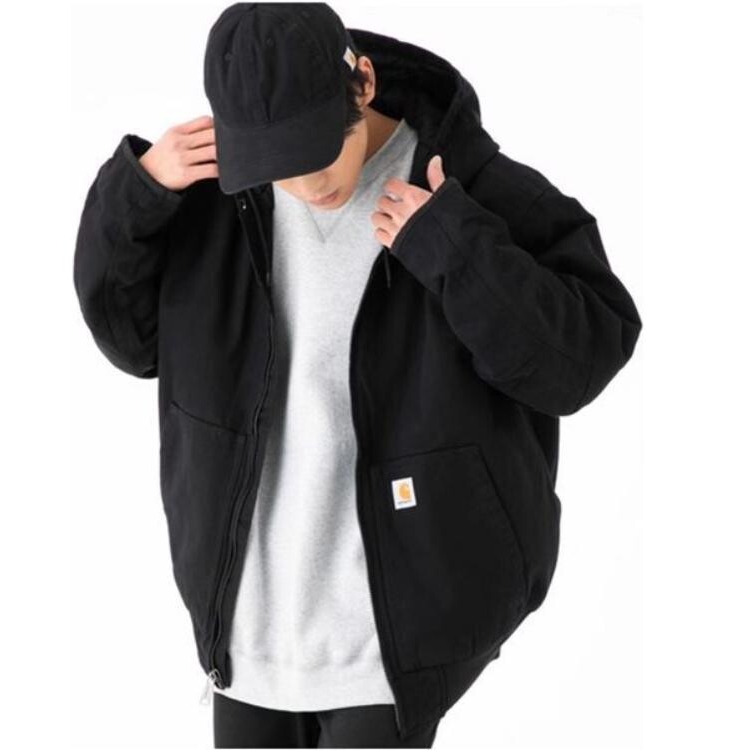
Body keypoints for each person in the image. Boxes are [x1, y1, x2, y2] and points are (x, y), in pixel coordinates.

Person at [72, 3, 642, 748]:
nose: (306, 186)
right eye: (277, 166)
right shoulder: (214, 200)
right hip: (248, 630)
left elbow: (581, 361)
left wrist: (458, 253)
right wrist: (137, 193)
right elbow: (129, 341)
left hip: (397, 632)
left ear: (363, 83)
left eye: (318, 155)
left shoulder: (466, 187)